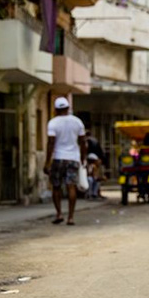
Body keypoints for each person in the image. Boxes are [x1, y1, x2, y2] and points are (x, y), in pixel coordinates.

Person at [43, 96, 87, 225]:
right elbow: (83, 142)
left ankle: (59, 214)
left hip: (58, 158)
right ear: (68, 108)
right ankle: (71, 217)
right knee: (71, 186)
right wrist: (83, 158)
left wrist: (47, 162)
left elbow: (50, 143)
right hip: (73, 158)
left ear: (55, 110)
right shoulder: (77, 122)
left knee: (56, 186)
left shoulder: (53, 123)